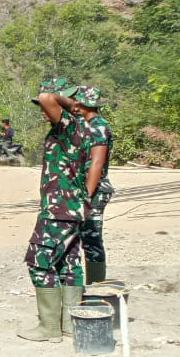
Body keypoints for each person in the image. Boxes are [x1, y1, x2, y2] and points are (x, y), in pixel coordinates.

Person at [15, 77, 86, 342]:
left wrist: (68, 103)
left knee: (39, 261)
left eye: (47, 107)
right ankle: (69, 324)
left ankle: (49, 328)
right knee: (69, 264)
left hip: (60, 210)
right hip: (68, 208)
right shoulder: (71, 127)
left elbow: (47, 98)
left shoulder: (70, 123)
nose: (43, 111)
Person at [74, 86, 113, 283]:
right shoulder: (85, 124)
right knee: (84, 237)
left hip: (96, 190)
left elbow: (96, 163)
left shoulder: (98, 126)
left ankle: (97, 285)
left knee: (91, 238)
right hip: (87, 188)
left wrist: (87, 195)